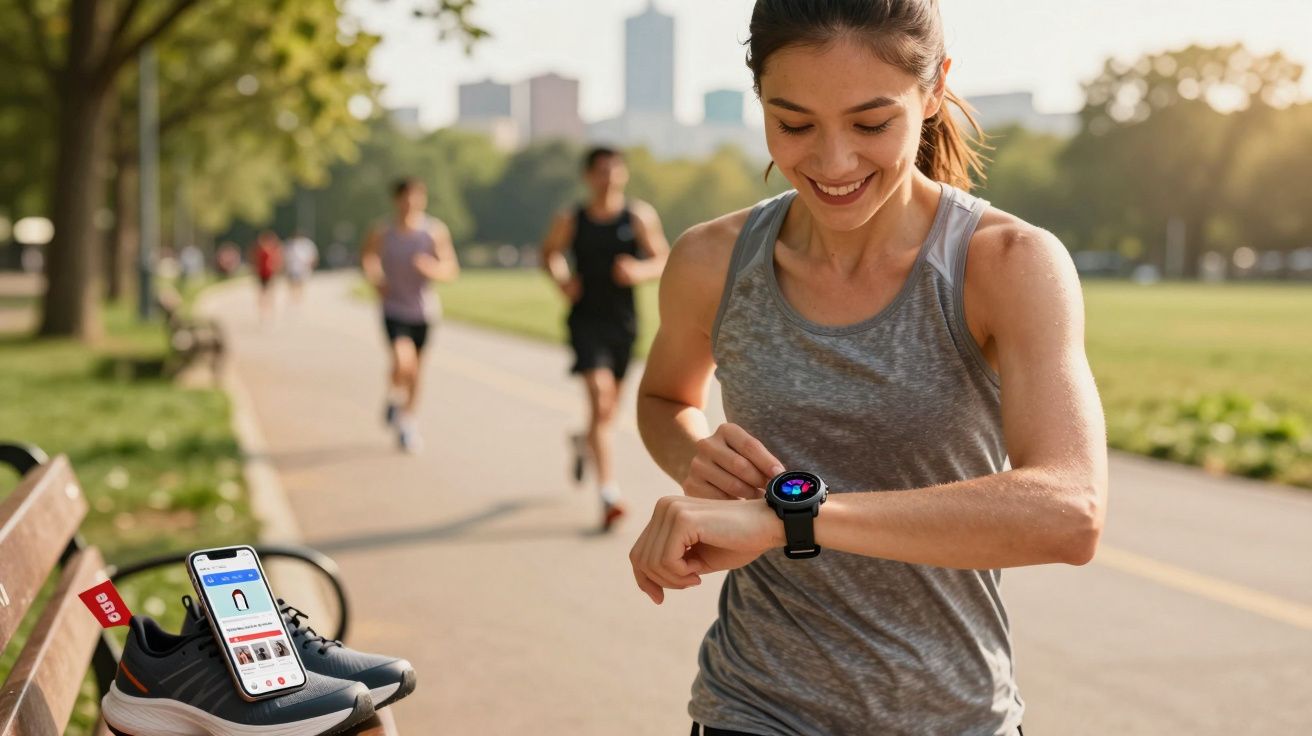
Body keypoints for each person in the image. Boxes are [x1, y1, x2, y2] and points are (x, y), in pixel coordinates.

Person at [627, 2, 1108, 734]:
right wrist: (700, 459)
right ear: (758, 98)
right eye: (794, 124)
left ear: (935, 88)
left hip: (955, 717)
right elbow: (664, 397)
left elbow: (1070, 511)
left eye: (870, 123)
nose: (833, 162)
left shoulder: (1007, 263)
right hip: (753, 708)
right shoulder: (711, 261)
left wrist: (791, 521)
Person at [540, 147, 670, 531]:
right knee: (600, 399)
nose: (608, 178)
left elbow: (663, 259)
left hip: (623, 324)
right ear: (587, 177)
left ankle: (583, 442)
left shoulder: (638, 216)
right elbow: (549, 253)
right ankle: (609, 493)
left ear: (624, 175)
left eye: (614, 171)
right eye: (600, 171)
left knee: (607, 411)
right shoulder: (572, 218)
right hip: (586, 321)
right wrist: (562, 279)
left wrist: (639, 270)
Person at [361, 178, 460, 453]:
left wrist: (431, 268)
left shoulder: (433, 232)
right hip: (394, 308)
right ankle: (394, 396)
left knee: (417, 372)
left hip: (424, 311)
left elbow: (450, 268)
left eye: (416, 198)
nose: (410, 204)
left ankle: (407, 421)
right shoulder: (383, 232)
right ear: (396, 200)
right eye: (405, 198)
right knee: (402, 361)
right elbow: (368, 258)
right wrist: (376, 278)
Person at [252, 230, 283, 320]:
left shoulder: (273, 250)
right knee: (264, 293)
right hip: (262, 274)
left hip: (269, 274)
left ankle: (268, 310)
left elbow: (277, 262)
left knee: (268, 293)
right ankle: (264, 311)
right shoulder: (261, 250)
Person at [284, 230, 320, 302]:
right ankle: (294, 296)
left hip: (303, 268)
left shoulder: (307, 244)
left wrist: (311, 264)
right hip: (292, 268)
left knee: (301, 282)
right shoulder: (290, 244)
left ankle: (299, 296)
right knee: (293, 283)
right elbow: (285, 256)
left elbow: (313, 256)